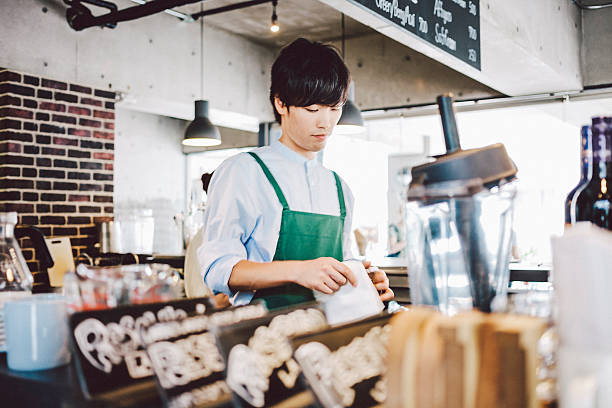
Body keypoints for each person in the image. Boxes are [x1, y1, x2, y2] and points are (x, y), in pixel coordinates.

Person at [198, 38, 393, 308]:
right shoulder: (244, 171)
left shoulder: (339, 188)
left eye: (334, 109)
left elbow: (341, 264)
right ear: (280, 103)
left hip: (327, 335)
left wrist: (363, 280)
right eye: (312, 109)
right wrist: (299, 271)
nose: (324, 122)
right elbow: (217, 269)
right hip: (262, 336)